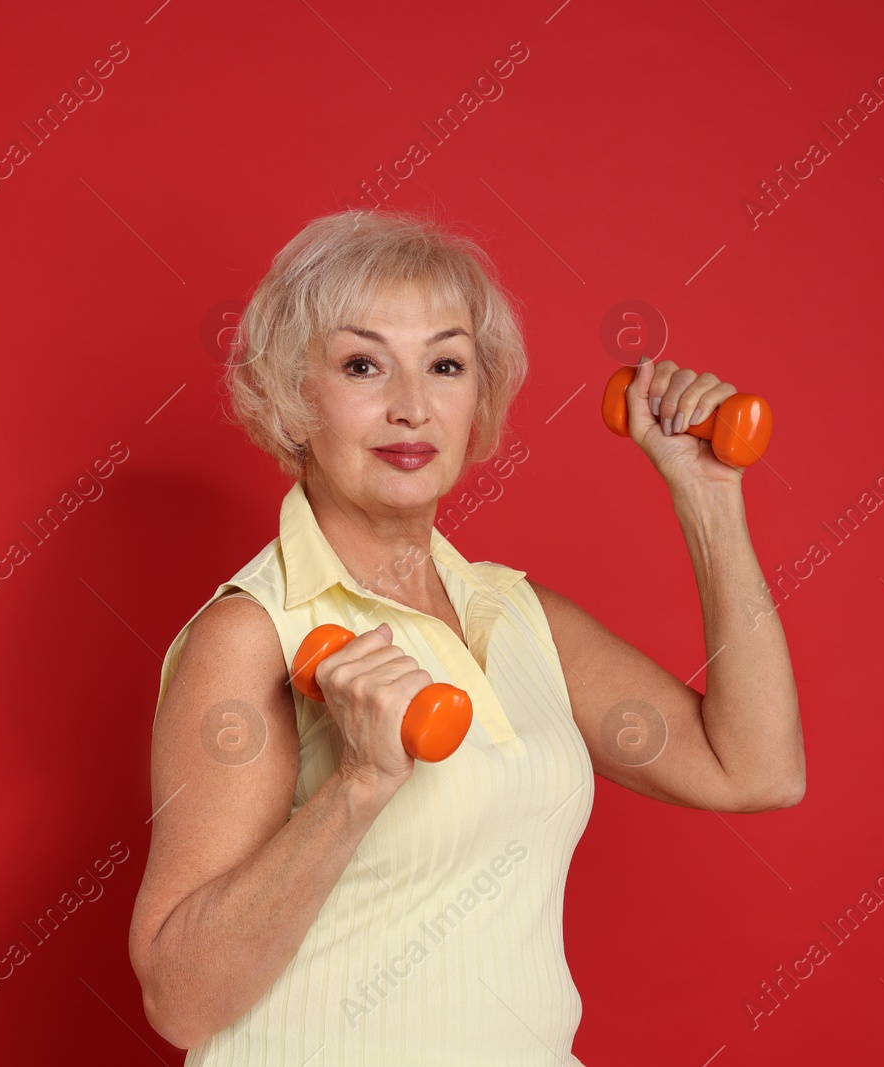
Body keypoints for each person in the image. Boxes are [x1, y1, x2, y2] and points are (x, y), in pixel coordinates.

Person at [128, 208, 804, 1065]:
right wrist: (360, 785)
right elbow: (181, 1000)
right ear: (294, 396)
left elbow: (754, 770)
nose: (411, 407)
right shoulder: (255, 632)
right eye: (363, 364)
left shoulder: (520, 617)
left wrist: (708, 498)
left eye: (445, 364)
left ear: (479, 395)